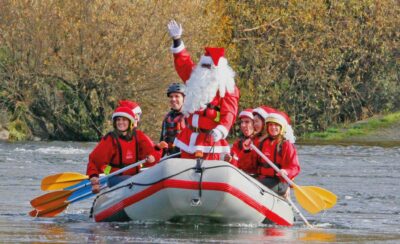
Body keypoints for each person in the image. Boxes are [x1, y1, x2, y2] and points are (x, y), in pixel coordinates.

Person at [166, 20, 240, 160]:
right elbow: (183, 63)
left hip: (210, 140)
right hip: (189, 138)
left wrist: (221, 129)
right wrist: (177, 41)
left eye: (208, 67)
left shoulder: (227, 87)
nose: (205, 70)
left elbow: (229, 113)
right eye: (203, 66)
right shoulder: (195, 78)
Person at [86, 101, 161, 193]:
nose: (120, 122)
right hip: (115, 177)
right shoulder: (110, 139)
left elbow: (155, 151)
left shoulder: (139, 136)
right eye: (118, 120)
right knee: (130, 180)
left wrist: (153, 157)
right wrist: (94, 178)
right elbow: (94, 160)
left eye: (124, 120)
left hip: (135, 176)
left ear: (130, 122)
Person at [247, 109, 300, 199]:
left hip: (279, 182)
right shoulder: (260, 143)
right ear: (267, 127)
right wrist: (245, 151)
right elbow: (251, 166)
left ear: (281, 127)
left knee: (258, 184)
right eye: (270, 125)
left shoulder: (286, 145)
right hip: (262, 178)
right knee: (250, 181)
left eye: (276, 125)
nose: (273, 127)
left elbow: (295, 167)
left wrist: (286, 171)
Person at [159, 83, 186, 156]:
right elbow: (162, 140)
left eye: (177, 96)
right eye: (171, 97)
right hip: (169, 158)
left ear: (184, 98)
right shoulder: (167, 118)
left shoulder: (190, 117)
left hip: (186, 159)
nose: (173, 99)